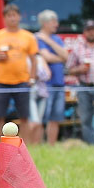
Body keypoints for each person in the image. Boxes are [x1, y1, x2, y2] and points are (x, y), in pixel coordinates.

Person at [0, 3, 38, 142]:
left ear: (19, 17)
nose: (12, 18)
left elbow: (34, 59)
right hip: (1, 81)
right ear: (4, 18)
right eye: (9, 16)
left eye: (14, 15)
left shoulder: (28, 36)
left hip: (22, 81)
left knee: (25, 116)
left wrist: (32, 79)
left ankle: (25, 146)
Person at [35, 9, 69, 146]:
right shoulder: (36, 38)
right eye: (53, 21)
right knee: (42, 116)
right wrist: (60, 57)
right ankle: (38, 145)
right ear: (44, 23)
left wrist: (48, 41)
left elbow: (66, 56)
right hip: (45, 85)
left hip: (59, 83)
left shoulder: (55, 39)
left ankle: (51, 145)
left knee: (56, 117)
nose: (57, 24)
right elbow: (46, 57)